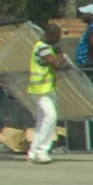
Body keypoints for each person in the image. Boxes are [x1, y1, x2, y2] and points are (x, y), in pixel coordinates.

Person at [27, 21, 64, 164]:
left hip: (47, 88)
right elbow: (56, 64)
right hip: (40, 89)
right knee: (50, 117)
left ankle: (33, 151)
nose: (59, 39)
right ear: (51, 35)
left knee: (42, 120)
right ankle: (42, 151)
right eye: (57, 36)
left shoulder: (46, 47)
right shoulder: (43, 48)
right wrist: (60, 54)